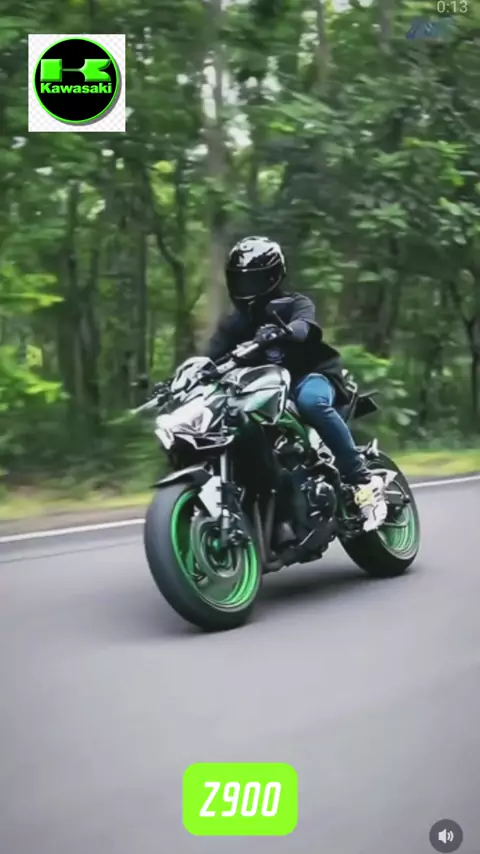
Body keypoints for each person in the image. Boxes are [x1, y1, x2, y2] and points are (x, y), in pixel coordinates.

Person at [205, 235, 388, 543]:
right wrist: (191, 374)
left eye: (255, 280)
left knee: (311, 403)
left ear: (273, 277)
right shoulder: (233, 324)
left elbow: (305, 327)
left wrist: (282, 331)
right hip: (263, 391)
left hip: (311, 376)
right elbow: (210, 357)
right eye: (241, 280)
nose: (246, 287)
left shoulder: (295, 304)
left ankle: (362, 480)